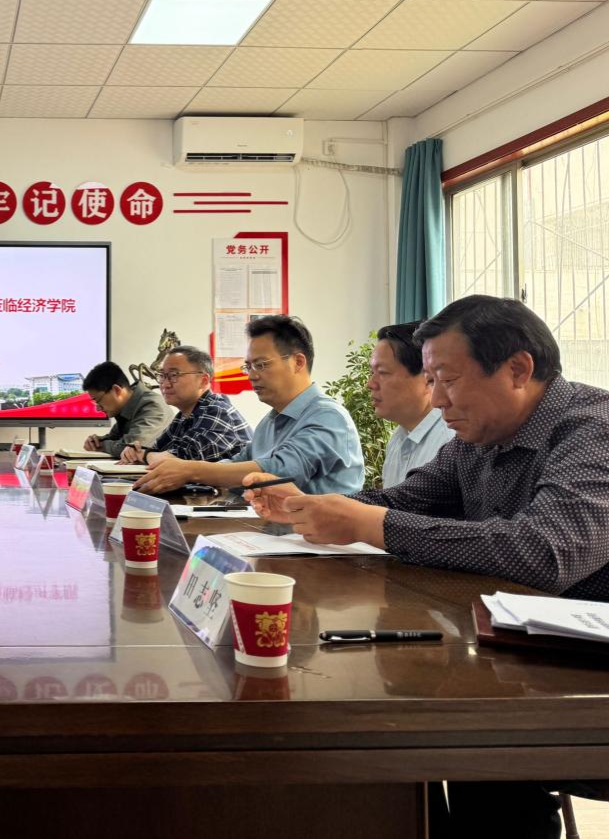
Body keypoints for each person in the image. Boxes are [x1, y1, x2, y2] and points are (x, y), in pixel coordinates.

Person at [245, 295, 609, 839]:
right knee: (406, 722)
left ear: (517, 369)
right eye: (432, 380)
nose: (436, 399)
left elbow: (544, 553)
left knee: (459, 739)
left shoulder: (593, 430)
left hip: (582, 678)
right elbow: (403, 502)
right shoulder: (479, 437)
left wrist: (371, 524)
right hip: (514, 660)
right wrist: (311, 508)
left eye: (448, 380)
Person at [135, 315, 363, 495]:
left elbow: (279, 471)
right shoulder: (270, 421)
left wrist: (190, 470)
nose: (252, 375)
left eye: (261, 365)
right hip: (272, 532)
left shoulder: (328, 416)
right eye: (249, 367)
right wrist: (185, 472)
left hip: (322, 540)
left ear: (298, 362)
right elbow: (236, 464)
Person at [118, 345, 250, 466]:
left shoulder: (218, 411)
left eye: (173, 375)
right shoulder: (183, 416)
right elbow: (159, 450)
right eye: (162, 376)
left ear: (203, 381)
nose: (165, 384)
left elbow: (180, 459)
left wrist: (145, 455)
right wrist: (135, 452)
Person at [370, 321, 454, 487]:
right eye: (371, 372)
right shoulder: (398, 438)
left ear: (427, 377)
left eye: (382, 373)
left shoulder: (450, 442)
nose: (370, 383)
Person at [81, 361, 172, 458]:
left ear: (116, 390)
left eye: (98, 400)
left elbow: (131, 449)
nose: (98, 408)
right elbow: (115, 439)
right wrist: (96, 441)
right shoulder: (126, 407)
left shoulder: (152, 406)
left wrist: (101, 445)